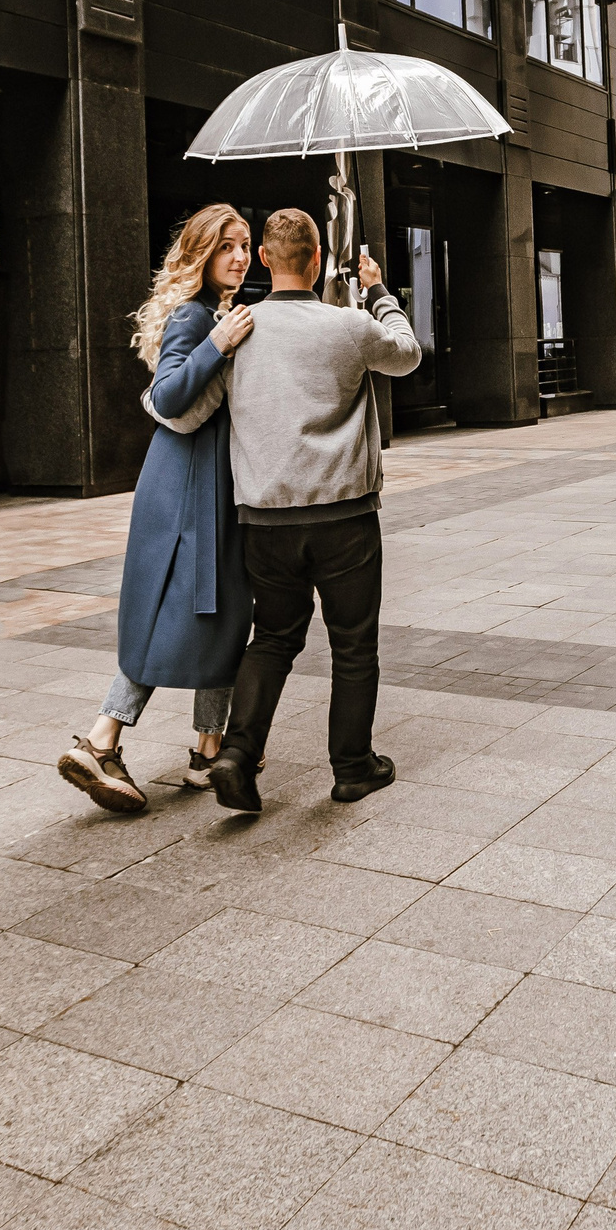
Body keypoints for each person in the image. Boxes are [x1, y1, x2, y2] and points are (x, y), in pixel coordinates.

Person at [204, 207, 421, 813]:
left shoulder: (236, 332)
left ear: (266, 259)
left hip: (264, 521)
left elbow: (193, 409)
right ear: (321, 258)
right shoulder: (346, 325)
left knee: (272, 636)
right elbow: (406, 354)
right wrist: (376, 289)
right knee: (353, 644)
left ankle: (237, 756)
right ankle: (352, 767)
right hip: (344, 516)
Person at [58, 204, 256, 813]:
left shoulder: (217, 311)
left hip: (206, 487)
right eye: (227, 246)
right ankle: (103, 736)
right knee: (182, 613)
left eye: (246, 245)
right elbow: (169, 393)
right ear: (202, 252)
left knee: (221, 614)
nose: (240, 257)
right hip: (186, 493)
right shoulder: (196, 316)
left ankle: (205, 750)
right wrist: (218, 342)